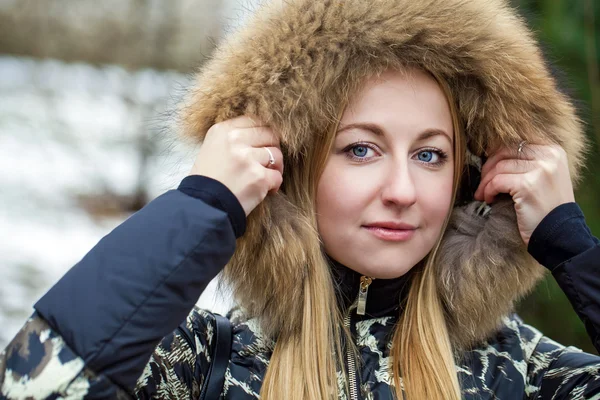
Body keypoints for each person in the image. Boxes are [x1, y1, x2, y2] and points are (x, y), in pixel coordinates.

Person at [1, 0, 600, 399]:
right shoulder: (206, 361)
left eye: (430, 155)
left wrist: (571, 247)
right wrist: (203, 208)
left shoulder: (518, 372)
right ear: (287, 169)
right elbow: (39, 385)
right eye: (361, 150)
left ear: (470, 179)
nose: (401, 191)